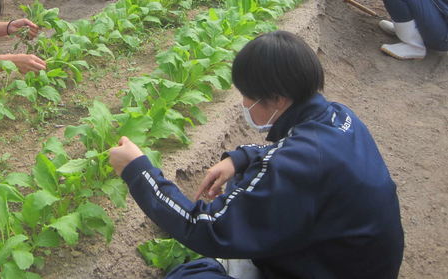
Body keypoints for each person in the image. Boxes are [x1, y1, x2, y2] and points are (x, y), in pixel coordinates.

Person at [109, 30, 404, 279]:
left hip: (326, 268)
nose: (244, 102)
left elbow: (205, 228)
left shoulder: (298, 165)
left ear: (277, 99)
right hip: (344, 260)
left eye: (247, 95)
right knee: (245, 192)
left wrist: (138, 171)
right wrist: (241, 158)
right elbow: (291, 154)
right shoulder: (337, 117)